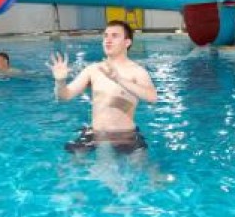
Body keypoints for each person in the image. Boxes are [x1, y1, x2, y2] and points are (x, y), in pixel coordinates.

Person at [48, 20, 158, 154]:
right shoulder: (93, 69)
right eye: (106, 35)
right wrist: (60, 81)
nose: (108, 40)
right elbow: (64, 96)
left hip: (125, 136)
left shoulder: (137, 71)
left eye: (115, 36)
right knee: (71, 167)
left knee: (143, 169)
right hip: (95, 134)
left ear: (127, 42)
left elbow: (152, 97)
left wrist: (119, 79)